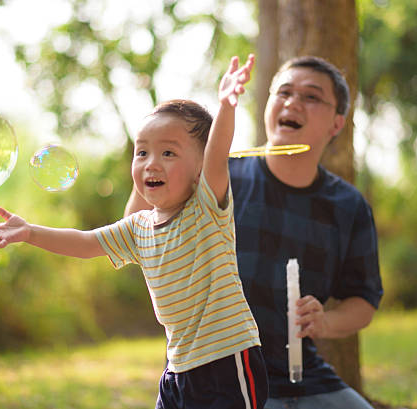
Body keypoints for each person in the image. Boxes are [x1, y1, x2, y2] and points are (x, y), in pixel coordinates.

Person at [0, 54, 269, 409]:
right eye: (141, 152)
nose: (150, 163)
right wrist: (30, 232)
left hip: (225, 361)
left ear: (199, 168)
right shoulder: (138, 227)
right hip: (178, 367)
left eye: (168, 153)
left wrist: (226, 105)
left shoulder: (206, 207)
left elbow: (217, 151)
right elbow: (85, 243)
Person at [125, 55, 383, 409]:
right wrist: (154, 161)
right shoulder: (218, 182)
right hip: (224, 378)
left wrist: (325, 322)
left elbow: (363, 301)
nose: (293, 102)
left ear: (336, 124)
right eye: (284, 92)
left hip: (304, 377)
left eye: (311, 96)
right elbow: (141, 230)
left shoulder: (349, 205)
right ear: (269, 105)